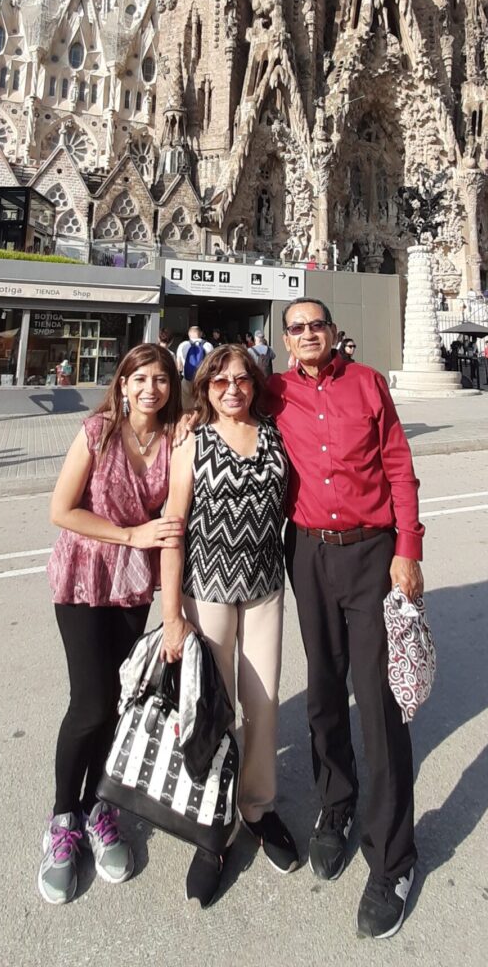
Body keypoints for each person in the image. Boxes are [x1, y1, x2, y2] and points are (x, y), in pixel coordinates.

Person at [268, 298, 423, 939]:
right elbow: (210, 411)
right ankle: (336, 804)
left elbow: (399, 468)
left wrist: (408, 551)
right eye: (296, 328)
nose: (307, 335)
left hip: (370, 552)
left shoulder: (368, 384)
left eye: (316, 325)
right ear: (285, 341)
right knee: (325, 690)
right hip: (307, 553)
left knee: (380, 699)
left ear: (334, 333)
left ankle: (393, 857)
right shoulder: (271, 390)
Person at [39, 344, 184, 906]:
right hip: (83, 574)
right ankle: (62, 819)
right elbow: (60, 509)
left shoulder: (174, 438)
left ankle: (100, 806)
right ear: (122, 384)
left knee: (120, 702)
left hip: (131, 586)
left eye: (161, 379)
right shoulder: (97, 431)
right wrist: (131, 536)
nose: (150, 388)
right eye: (139, 378)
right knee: (90, 702)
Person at [162, 344, 298, 906]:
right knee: (211, 711)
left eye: (242, 380)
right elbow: (172, 528)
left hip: (265, 588)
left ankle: (258, 807)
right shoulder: (192, 443)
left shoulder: (274, 435)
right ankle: (211, 826)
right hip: (208, 592)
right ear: (205, 389)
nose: (233, 390)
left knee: (262, 704)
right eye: (220, 383)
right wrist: (171, 615)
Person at [176, 325, 213, 409]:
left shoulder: (183, 345)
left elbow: (179, 366)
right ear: (201, 334)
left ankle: (188, 420)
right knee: (202, 406)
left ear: (189, 334)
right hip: (203, 380)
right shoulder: (208, 346)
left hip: (187, 379)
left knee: (186, 406)